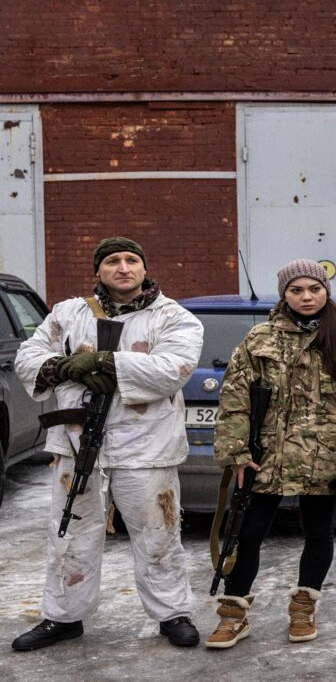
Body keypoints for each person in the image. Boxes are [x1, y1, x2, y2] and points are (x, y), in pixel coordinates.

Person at [11, 237, 204, 651]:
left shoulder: (173, 317)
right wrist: (66, 365)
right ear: (98, 270)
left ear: (144, 268)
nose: (123, 267)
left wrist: (104, 363)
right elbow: (28, 357)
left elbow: (173, 369)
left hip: (147, 445)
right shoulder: (67, 313)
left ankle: (173, 613)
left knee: (158, 533)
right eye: (112, 261)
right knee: (69, 534)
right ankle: (63, 616)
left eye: (131, 259)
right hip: (77, 442)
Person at [206, 259, 336, 649]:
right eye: (296, 290)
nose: (306, 297)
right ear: (284, 294)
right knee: (248, 534)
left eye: (314, 289)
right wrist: (236, 451)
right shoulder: (260, 339)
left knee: (318, 533)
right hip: (266, 455)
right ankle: (233, 615)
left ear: (325, 291)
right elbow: (234, 398)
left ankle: (303, 606)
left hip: (327, 456)